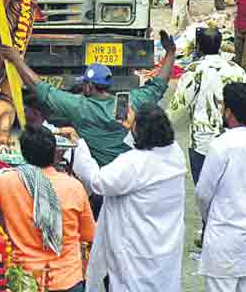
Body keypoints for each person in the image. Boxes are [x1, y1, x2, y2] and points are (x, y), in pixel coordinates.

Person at [66, 106, 186, 292]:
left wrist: (78, 145)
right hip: (165, 249)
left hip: (136, 253)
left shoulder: (133, 163)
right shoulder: (175, 154)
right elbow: (148, 147)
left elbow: (98, 181)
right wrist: (132, 127)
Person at [0, 125, 96, 292]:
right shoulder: (74, 187)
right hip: (68, 281)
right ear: (55, 153)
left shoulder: (8, 181)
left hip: (25, 280)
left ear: (24, 153)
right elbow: (89, 234)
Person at [0, 42, 172, 167]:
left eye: (84, 84)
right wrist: (171, 53)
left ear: (89, 87)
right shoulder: (130, 101)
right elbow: (158, 86)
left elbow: (41, 88)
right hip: (129, 170)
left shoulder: (78, 107)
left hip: (100, 174)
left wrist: (17, 60)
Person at [196, 82, 246, 292]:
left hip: (223, 239)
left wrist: (209, 217)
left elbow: (203, 194)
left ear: (228, 111)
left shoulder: (220, 145)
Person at [171, 26, 246, 184]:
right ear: (220, 44)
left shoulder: (195, 70)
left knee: (204, 189)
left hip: (203, 142)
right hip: (232, 139)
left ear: (198, 46)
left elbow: (179, 105)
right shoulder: (237, 70)